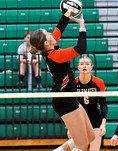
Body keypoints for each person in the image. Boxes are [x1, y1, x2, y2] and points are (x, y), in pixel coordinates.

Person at [29, 14, 95, 151]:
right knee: (82, 145)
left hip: (68, 98)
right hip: (64, 101)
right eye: (48, 34)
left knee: (91, 137)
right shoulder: (56, 56)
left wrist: (67, 14)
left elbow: (60, 26)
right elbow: (80, 48)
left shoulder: (51, 46)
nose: (51, 33)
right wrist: (82, 26)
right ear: (46, 43)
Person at [68, 56, 107, 151]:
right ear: (78, 67)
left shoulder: (99, 82)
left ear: (91, 67)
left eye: (87, 64)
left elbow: (103, 104)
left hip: (95, 120)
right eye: (81, 64)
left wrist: (103, 124)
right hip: (79, 121)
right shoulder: (73, 83)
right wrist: (69, 127)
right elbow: (69, 106)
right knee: (79, 149)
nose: (84, 66)